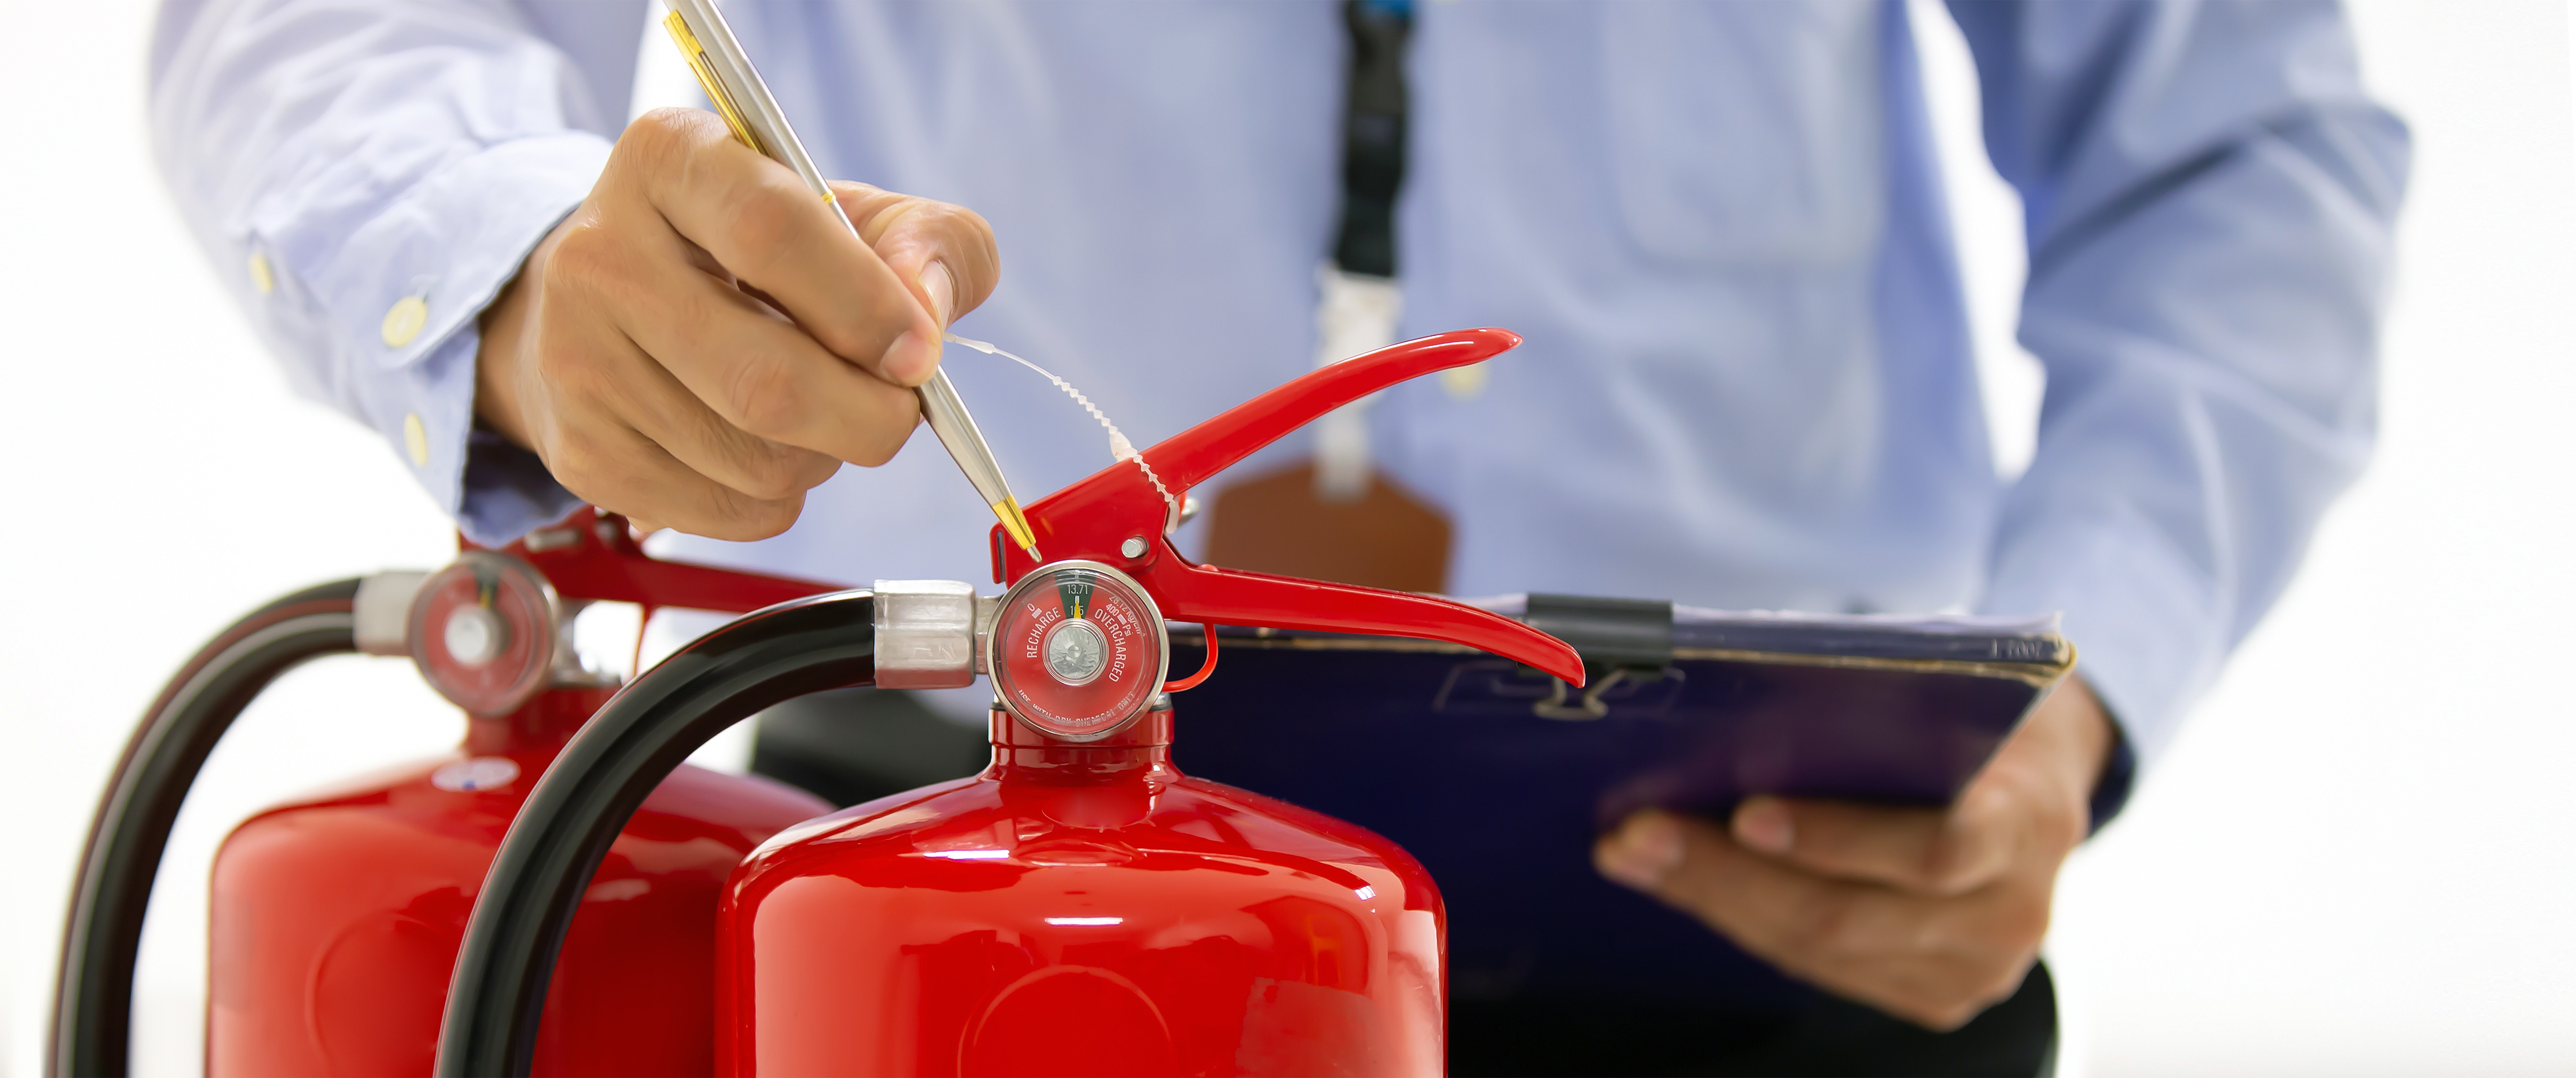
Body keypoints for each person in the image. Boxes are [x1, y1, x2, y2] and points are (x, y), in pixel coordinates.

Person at [150, 0, 2407, 1073]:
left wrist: (2078, 684)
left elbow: (2237, 159)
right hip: (943, 902)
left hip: (1783, 901)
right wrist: (530, 283)